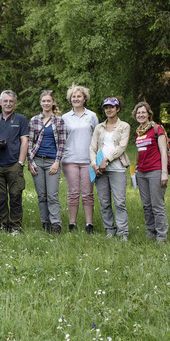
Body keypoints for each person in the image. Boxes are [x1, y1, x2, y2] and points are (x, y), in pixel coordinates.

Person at [90, 97, 131, 240]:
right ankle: (109, 230)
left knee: (119, 201)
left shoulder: (124, 126)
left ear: (117, 109)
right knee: (104, 202)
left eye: (112, 107)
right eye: (106, 107)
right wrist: (94, 164)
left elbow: (122, 147)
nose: (109, 109)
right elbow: (92, 148)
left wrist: (106, 160)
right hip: (100, 170)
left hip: (117, 168)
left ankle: (123, 232)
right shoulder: (99, 127)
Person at [0, 90, 29, 233]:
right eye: (5, 101)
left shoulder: (21, 119)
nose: (8, 104)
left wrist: (20, 163)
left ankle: (15, 226)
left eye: (11, 101)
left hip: (14, 164)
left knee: (15, 196)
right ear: (0, 103)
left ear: (15, 103)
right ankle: (2, 224)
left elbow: (25, 141)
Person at [28, 90, 67, 234]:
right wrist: (30, 162)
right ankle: (45, 223)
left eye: (48, 101)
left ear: (53, 102)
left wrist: (57, 162)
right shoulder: (34, 120)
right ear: (40, 103)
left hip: (52, 161)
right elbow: (30, 143)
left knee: (52, 195)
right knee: (42, 195)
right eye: (43, 101)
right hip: (37, 160)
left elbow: (62, 144)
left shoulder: (59, 121)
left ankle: (56, 224)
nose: (46, 103)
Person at [62, 84, 99, 233]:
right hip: (69, 159)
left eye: (79, 96)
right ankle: (72, 224)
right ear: (70, 99)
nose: (76, 99)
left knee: (87, 193)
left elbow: (98, 137)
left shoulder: (92, 116)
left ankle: (89, 224)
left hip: (88, 161)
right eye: (73, 96)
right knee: (73, 193)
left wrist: (96, 159)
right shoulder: (64, 117)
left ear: (85, 99)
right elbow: (60, 139)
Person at [133, 101, 169, 243]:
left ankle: (161, 236)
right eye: (138, 113)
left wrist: (164, 172)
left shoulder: (157, 129)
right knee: (146, 205)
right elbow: (140, 151)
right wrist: (136, 166)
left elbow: (163, 152)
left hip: (155, 171)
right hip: (141, 173)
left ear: (149, 114)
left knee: (157, 205)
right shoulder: (138, 132)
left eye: (143, 112)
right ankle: (150, 232)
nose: (141, 115)